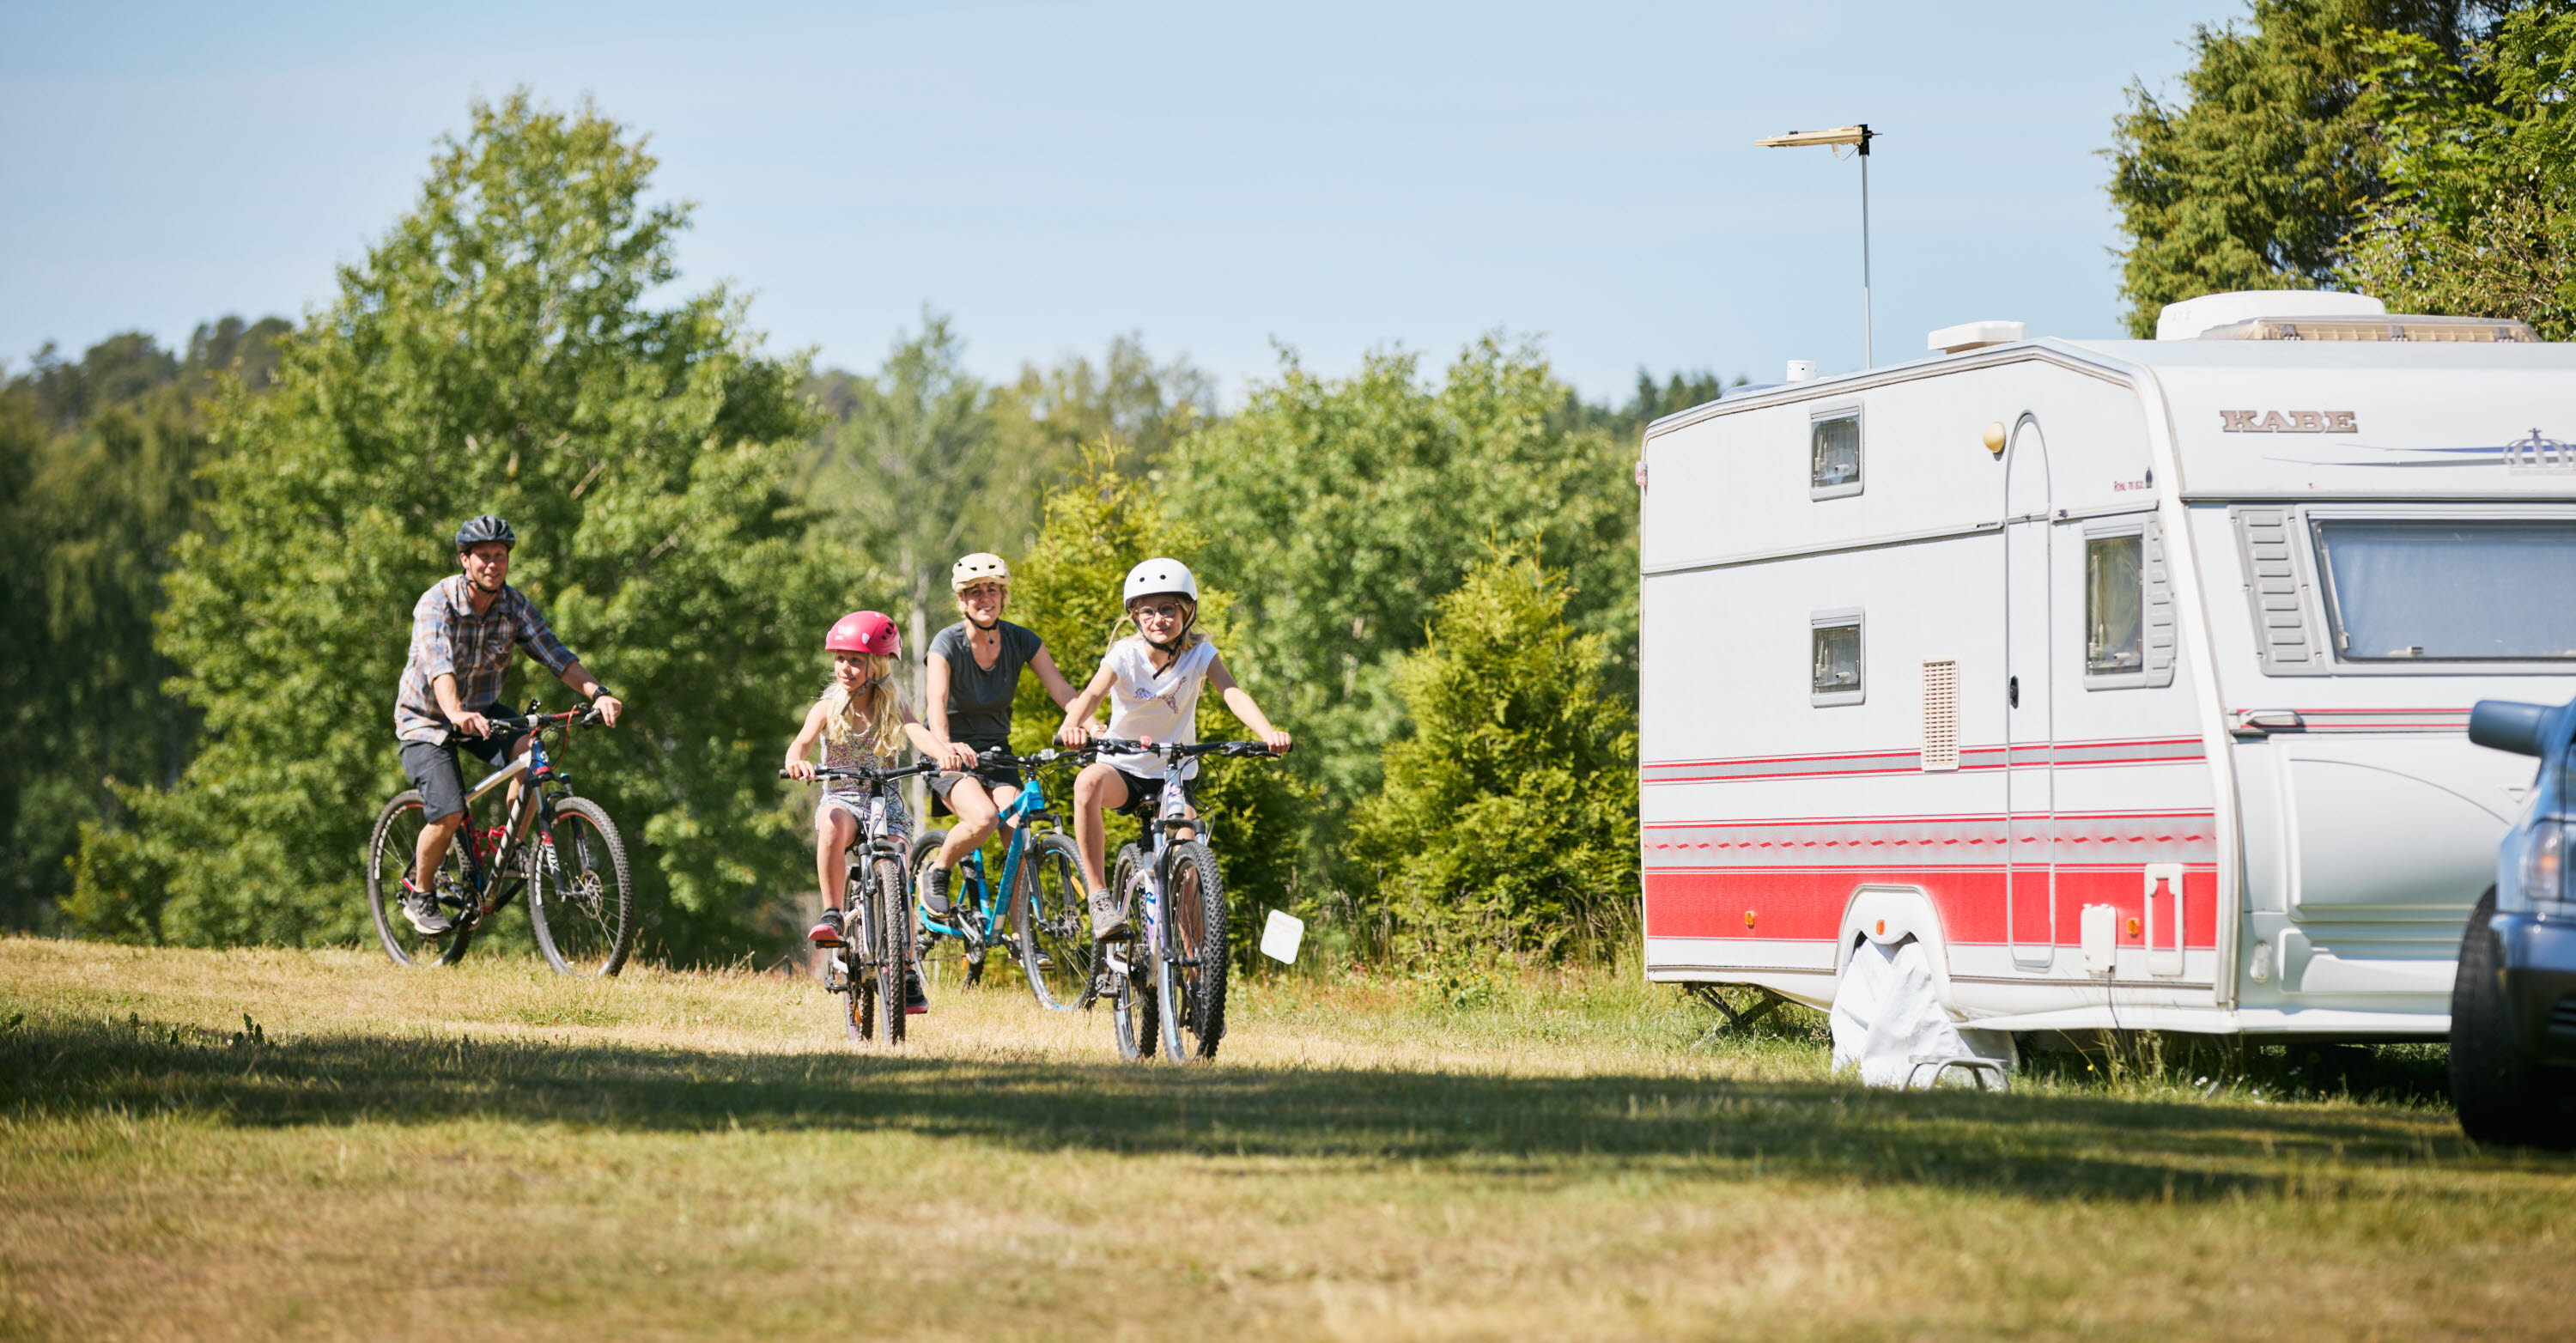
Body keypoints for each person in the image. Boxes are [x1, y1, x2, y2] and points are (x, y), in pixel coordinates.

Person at [394, 514, 623, 936]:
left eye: (500, 556)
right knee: (448, 812)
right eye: (483, 556)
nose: (492, 565)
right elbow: (438, 667)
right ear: (465, 560)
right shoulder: (435, 603)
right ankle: (420, 894)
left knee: (533, 751)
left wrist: (598, 693)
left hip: (481, 710)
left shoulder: (512, 605)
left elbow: (556, 655)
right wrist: (455, 712)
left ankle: (513, 846)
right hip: (426, 719)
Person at [1054, 558, 1291, 942]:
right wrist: (1070, 727)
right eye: (1146, 611)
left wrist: (1268, 733)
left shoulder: (1200, 653)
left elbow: (1231, 692)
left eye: (1168, 609)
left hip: (1174, 774)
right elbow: (1093, 694)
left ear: (1188, 612)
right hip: (1124, 769)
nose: (1158, 619)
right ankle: (1099, 900)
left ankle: (1198, 974)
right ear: (1134, 616)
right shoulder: (1125, 655)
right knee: (1086, 783)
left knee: (1189, 861)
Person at [783, 610, 950, 1013]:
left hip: (884, 800)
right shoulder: (826, 707)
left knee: (897, 860)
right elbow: (800, 744)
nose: (846, 667)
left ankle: (906, 968)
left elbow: (918, 733)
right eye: (840, 658)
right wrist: (797, 763)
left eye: (855, 659)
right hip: (842, 797)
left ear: (876, 664)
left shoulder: (894, 705)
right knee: (832, 827)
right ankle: (834, 913)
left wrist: (943, 752)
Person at [918, 552, 1080, 918]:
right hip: (949, 750)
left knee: (1018, 829)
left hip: (996, 753)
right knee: (982, 819)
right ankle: (938, 870)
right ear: (961, 600)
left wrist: (1092, 724)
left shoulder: (1022, 640)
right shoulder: (946, 643)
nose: (985, 597)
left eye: (992, 589)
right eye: (974, 591)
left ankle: (1019, 931)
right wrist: (944, 749)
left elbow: (1062, 691)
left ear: (1004, 595)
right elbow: (936, 702)